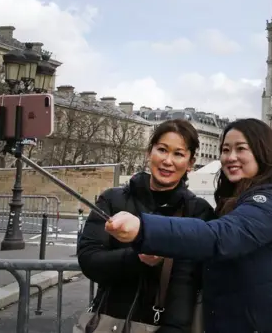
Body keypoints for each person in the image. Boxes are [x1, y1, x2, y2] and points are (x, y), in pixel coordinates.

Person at [105, 118, 272, 333]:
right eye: (225, 150)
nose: (230, 157)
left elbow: (220, 236)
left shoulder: (271, 200)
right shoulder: (236, 199)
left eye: (240, 149)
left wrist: (144, 229)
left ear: (262, 151)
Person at [77, 119, 215, 332]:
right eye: (162, 150)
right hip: (108, 321)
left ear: (190, 162)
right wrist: (138, 258)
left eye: (178, 154)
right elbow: (89, 260)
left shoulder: (199, 212)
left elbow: (187, 285)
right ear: (149, 152)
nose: (168, 161)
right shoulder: (112, 199)